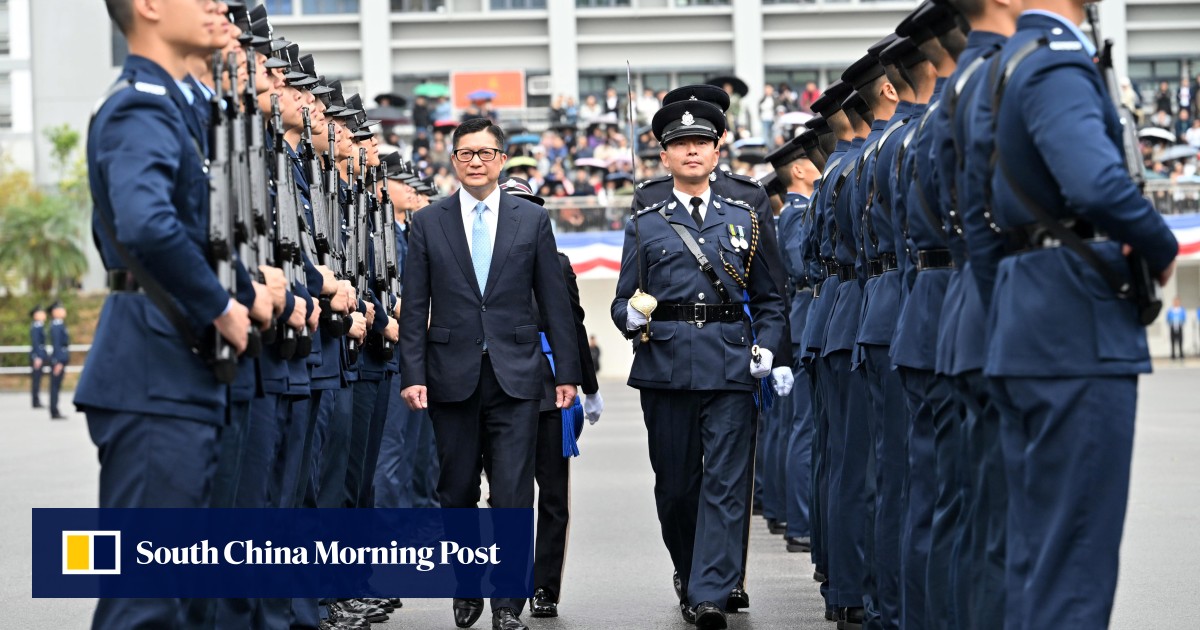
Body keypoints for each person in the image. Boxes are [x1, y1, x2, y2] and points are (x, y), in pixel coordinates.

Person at [989, 0, 1179, 626]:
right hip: (1073, 319)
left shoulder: (1004, 67)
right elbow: (1097, 184)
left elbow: (972, 213)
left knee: (1037, 550)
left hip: (1027, 307)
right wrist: (1160, 244)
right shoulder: (1057, 63)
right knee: (1075, 553)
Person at [80, 0, 253, 628]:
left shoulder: (173, 103)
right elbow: (147, 224)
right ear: (148, 7)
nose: (217, 6)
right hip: (154, 367)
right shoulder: (141, 103)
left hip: (174, 367)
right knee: (146, 600)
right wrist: (221, 305)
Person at [612, 98, 788, 630]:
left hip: (731, 364)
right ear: (664, 157)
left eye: (701, 143)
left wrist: (770, 346)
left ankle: (711, 590)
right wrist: (634, 317)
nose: (692, 150)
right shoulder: (645, 222)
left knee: (727, 483)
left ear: (717, 151)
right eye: (679, 144)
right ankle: (690, 573)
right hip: (666, 365)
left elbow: (773, 298)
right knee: (677, 485)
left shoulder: (746, 217)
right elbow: (622, 302)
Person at [399, 117, 580, 630]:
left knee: (513, 492)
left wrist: (565, 371)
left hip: (517, 376)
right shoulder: (429, 221)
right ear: (451, 160)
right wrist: (412, 373)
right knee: (455, 491)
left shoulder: (530, 219)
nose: (475, 161)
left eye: (485, 153)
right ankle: (465, 584)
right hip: (450, 376)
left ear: (502, 159)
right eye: (465, 153)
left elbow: (554, 301)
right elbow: (415, 307)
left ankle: (507, 602)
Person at [48, 302, 70, 420]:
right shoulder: (56, 326)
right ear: (55, 312)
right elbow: (57, 345)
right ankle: (54, 410)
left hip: (61, 359)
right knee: (55, 386)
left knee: (57, 386)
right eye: (61, 309)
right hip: (58, 360)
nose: (64, 311)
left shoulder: (60, 324)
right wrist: (58, 362)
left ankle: (55, 409)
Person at [29, 304, 46, 409]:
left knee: (38, 379)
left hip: (40, 355)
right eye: (41, 313)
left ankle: (36, 400)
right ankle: (35, 401)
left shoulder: (40, 325)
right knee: (36, 379)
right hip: (37, 356)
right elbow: (36, 343)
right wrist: (37, 357)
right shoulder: (36, 326)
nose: (44, 315)